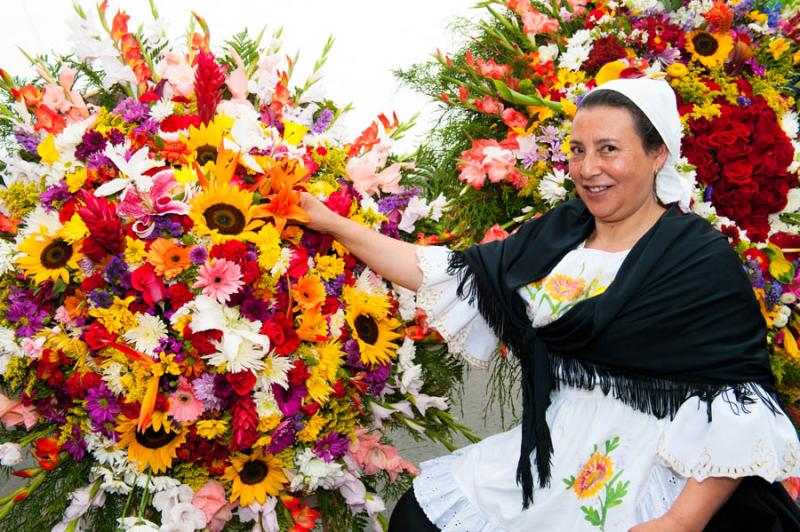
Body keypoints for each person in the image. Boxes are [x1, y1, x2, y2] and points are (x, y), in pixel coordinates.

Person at [299, 77, 800, 531]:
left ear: (657, 155)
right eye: (578, 150)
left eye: (609, 149)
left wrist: (680, 522)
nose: (588, 169)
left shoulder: (697, 257)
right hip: (551, 449)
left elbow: (739, 399)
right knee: (419, 520)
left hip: (652, 464)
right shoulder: (560, 234)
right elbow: (444, 273)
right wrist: (333, 224)